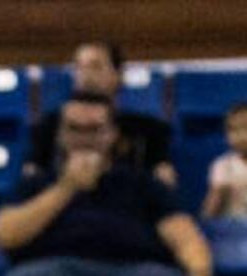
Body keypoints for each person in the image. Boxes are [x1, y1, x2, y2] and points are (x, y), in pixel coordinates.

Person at [0, 94, 215, 276]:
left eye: (94, 129)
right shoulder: (35, 183)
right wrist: (66, 187)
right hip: (55, 268)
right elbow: (7, 235)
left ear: (113, 133)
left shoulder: (142, 182)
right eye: (74, 129)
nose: (84, 138)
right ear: (60, 135)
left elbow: (184, 235)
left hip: (133, 269)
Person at [26, 41, 171, 175]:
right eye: (79, 67)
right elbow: (31, 180)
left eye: (96, 66)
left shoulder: (149, 131)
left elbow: (163, 183)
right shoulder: (49, 127)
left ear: (118, 74)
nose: (85, 75)